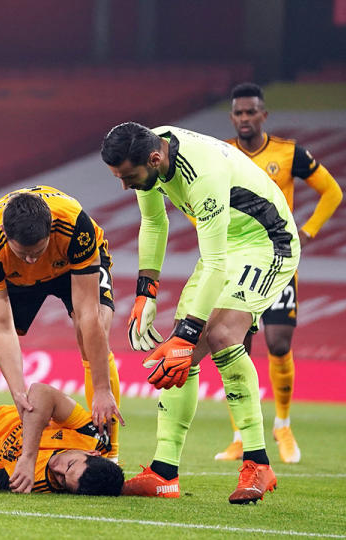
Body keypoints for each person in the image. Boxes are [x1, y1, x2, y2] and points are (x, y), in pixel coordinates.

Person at [101, 122, 300, 504]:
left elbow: (214, 262)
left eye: (129, 178)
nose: (125, 187)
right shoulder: (150, 150)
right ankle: (164, 473)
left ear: (154, 159)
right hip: (227, 245)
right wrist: (147, 292)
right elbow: (154, 223)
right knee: (181, 356)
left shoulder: (202, 173)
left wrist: (188, 332)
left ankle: (258, 463)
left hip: (267, 242)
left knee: (223, 333)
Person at [0, 186, 124, 467]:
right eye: (23, 252)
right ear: (7, 236)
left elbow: (88, 314)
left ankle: (110, 453)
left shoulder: (76, 226)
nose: (32, 259)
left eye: (37, 251)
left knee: (91, 336)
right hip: (14, 279)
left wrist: (101, 389)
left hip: (69, 268)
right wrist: (18, 393)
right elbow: (2, 327)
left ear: (49, 232)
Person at [214, 82, 343, 464]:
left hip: (279, 259)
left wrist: (307, 231)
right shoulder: (222, 155)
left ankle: (282, 425)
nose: (244, 118)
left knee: (279, 344)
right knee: (235, 346)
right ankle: (240, 434)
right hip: (238, 262)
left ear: (263, 115)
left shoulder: (288, 153)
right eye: (238, 112)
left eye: (251, 111)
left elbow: (331, 191)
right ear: (233, 117)